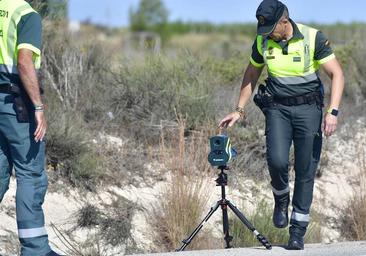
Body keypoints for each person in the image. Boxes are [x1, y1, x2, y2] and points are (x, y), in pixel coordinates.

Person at [219, 0, 344, 250]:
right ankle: (280, 198)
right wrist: (239, 110)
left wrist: (332, 112)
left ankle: (297, 231)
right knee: (276, 160)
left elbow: (337, 74)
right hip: (277, 109)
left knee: (306, 168)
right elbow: (252, 73)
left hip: (309, 109)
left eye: (270, 29)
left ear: (284, 22)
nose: (265, 35)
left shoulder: (312, 37)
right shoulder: (263, 41)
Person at [0, 0, 61, 255]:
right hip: (15, 106)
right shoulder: (26, 15)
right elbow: (24, 62)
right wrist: (38, 107)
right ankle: (35, 250)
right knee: (31, 175)